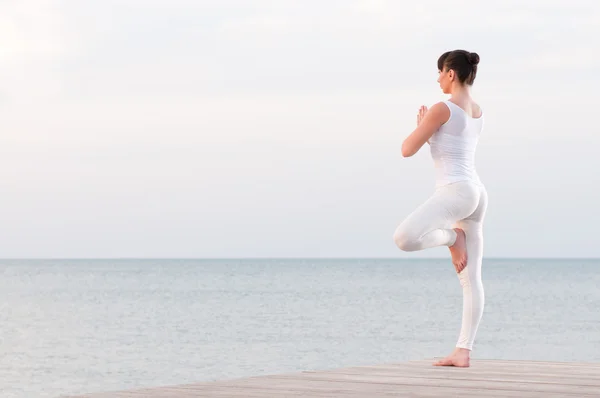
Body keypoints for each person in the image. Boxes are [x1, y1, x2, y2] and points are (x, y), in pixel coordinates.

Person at [393, 49, 488, 368]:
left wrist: (424, 126)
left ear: (451, 74)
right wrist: (432, 132)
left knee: (404, 238)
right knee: (471, 278)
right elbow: (452, 147)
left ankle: (451, 238)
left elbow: (406, 149)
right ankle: (463, 351)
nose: (436, 79)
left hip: (455, 192)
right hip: (476, 191)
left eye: (439, 72)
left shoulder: (441, 109)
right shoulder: (477, 110)